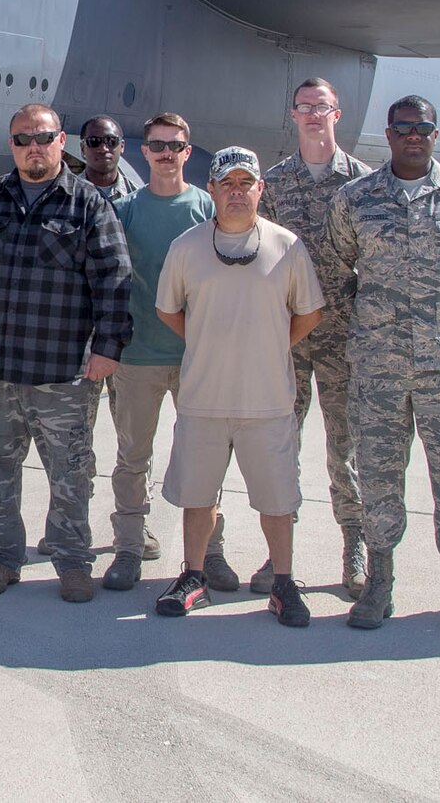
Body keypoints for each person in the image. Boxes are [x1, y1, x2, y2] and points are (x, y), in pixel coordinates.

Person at [323, 96, 440, 638]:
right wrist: (375, 325)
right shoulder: (355, 199)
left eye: (423, 127)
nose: (414, 135)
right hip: (378, 369)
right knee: (377, 476)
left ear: (435, 133)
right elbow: (337, 269)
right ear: (389, 134)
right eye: (404, 128)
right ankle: (379, 581)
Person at [0, 104, 131, 603]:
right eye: (23, 139)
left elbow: (114, 281)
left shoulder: (87, 204)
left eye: (42, 137)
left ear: (61, 141)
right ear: (12, 145)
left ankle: (72, 561)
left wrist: (108, 349)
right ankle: (1, 558)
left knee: (70, 472)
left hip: (62, 369)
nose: (33, 147)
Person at [152, 147, 324, 626]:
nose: (236, 192)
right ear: (211, 190)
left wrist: (269, 345)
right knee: (197, 495)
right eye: (227, 184)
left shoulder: (287, 246)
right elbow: (168, 310)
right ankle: (193, 575)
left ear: (260, 190)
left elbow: (309, 312)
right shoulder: (186, 247)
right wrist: (209, 340)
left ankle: (284, 581)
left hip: (266, 401)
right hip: (204, 399)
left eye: (246, 184)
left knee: (277, 499)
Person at [259, 77, 375, 597]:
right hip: (288, 339)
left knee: (345, 452)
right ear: (293, 115)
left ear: (337, 114)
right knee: (282, 448)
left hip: (346, 340)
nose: (312, 116)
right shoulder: (274, 183)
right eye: (304, 107)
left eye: (321, 107)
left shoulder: (366, 184)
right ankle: (277, 557)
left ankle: (354, 551)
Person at [100, 113, 215, 592]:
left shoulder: (207, 207)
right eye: (158, 146)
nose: (167, 153)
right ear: (141, 152)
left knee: (203, 458)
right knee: (133, 458)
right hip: (137, 357)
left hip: (197, 359)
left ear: (188, 151)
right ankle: (128, 546)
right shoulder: (124, 210)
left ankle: (211, 552)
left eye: (176, 145)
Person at [71, 115, 144, 203]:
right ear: (83, 148)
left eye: (111, 141)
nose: (103, 149)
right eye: (94, 141)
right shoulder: (64, 195)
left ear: (122, 146)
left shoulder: (138, 199)